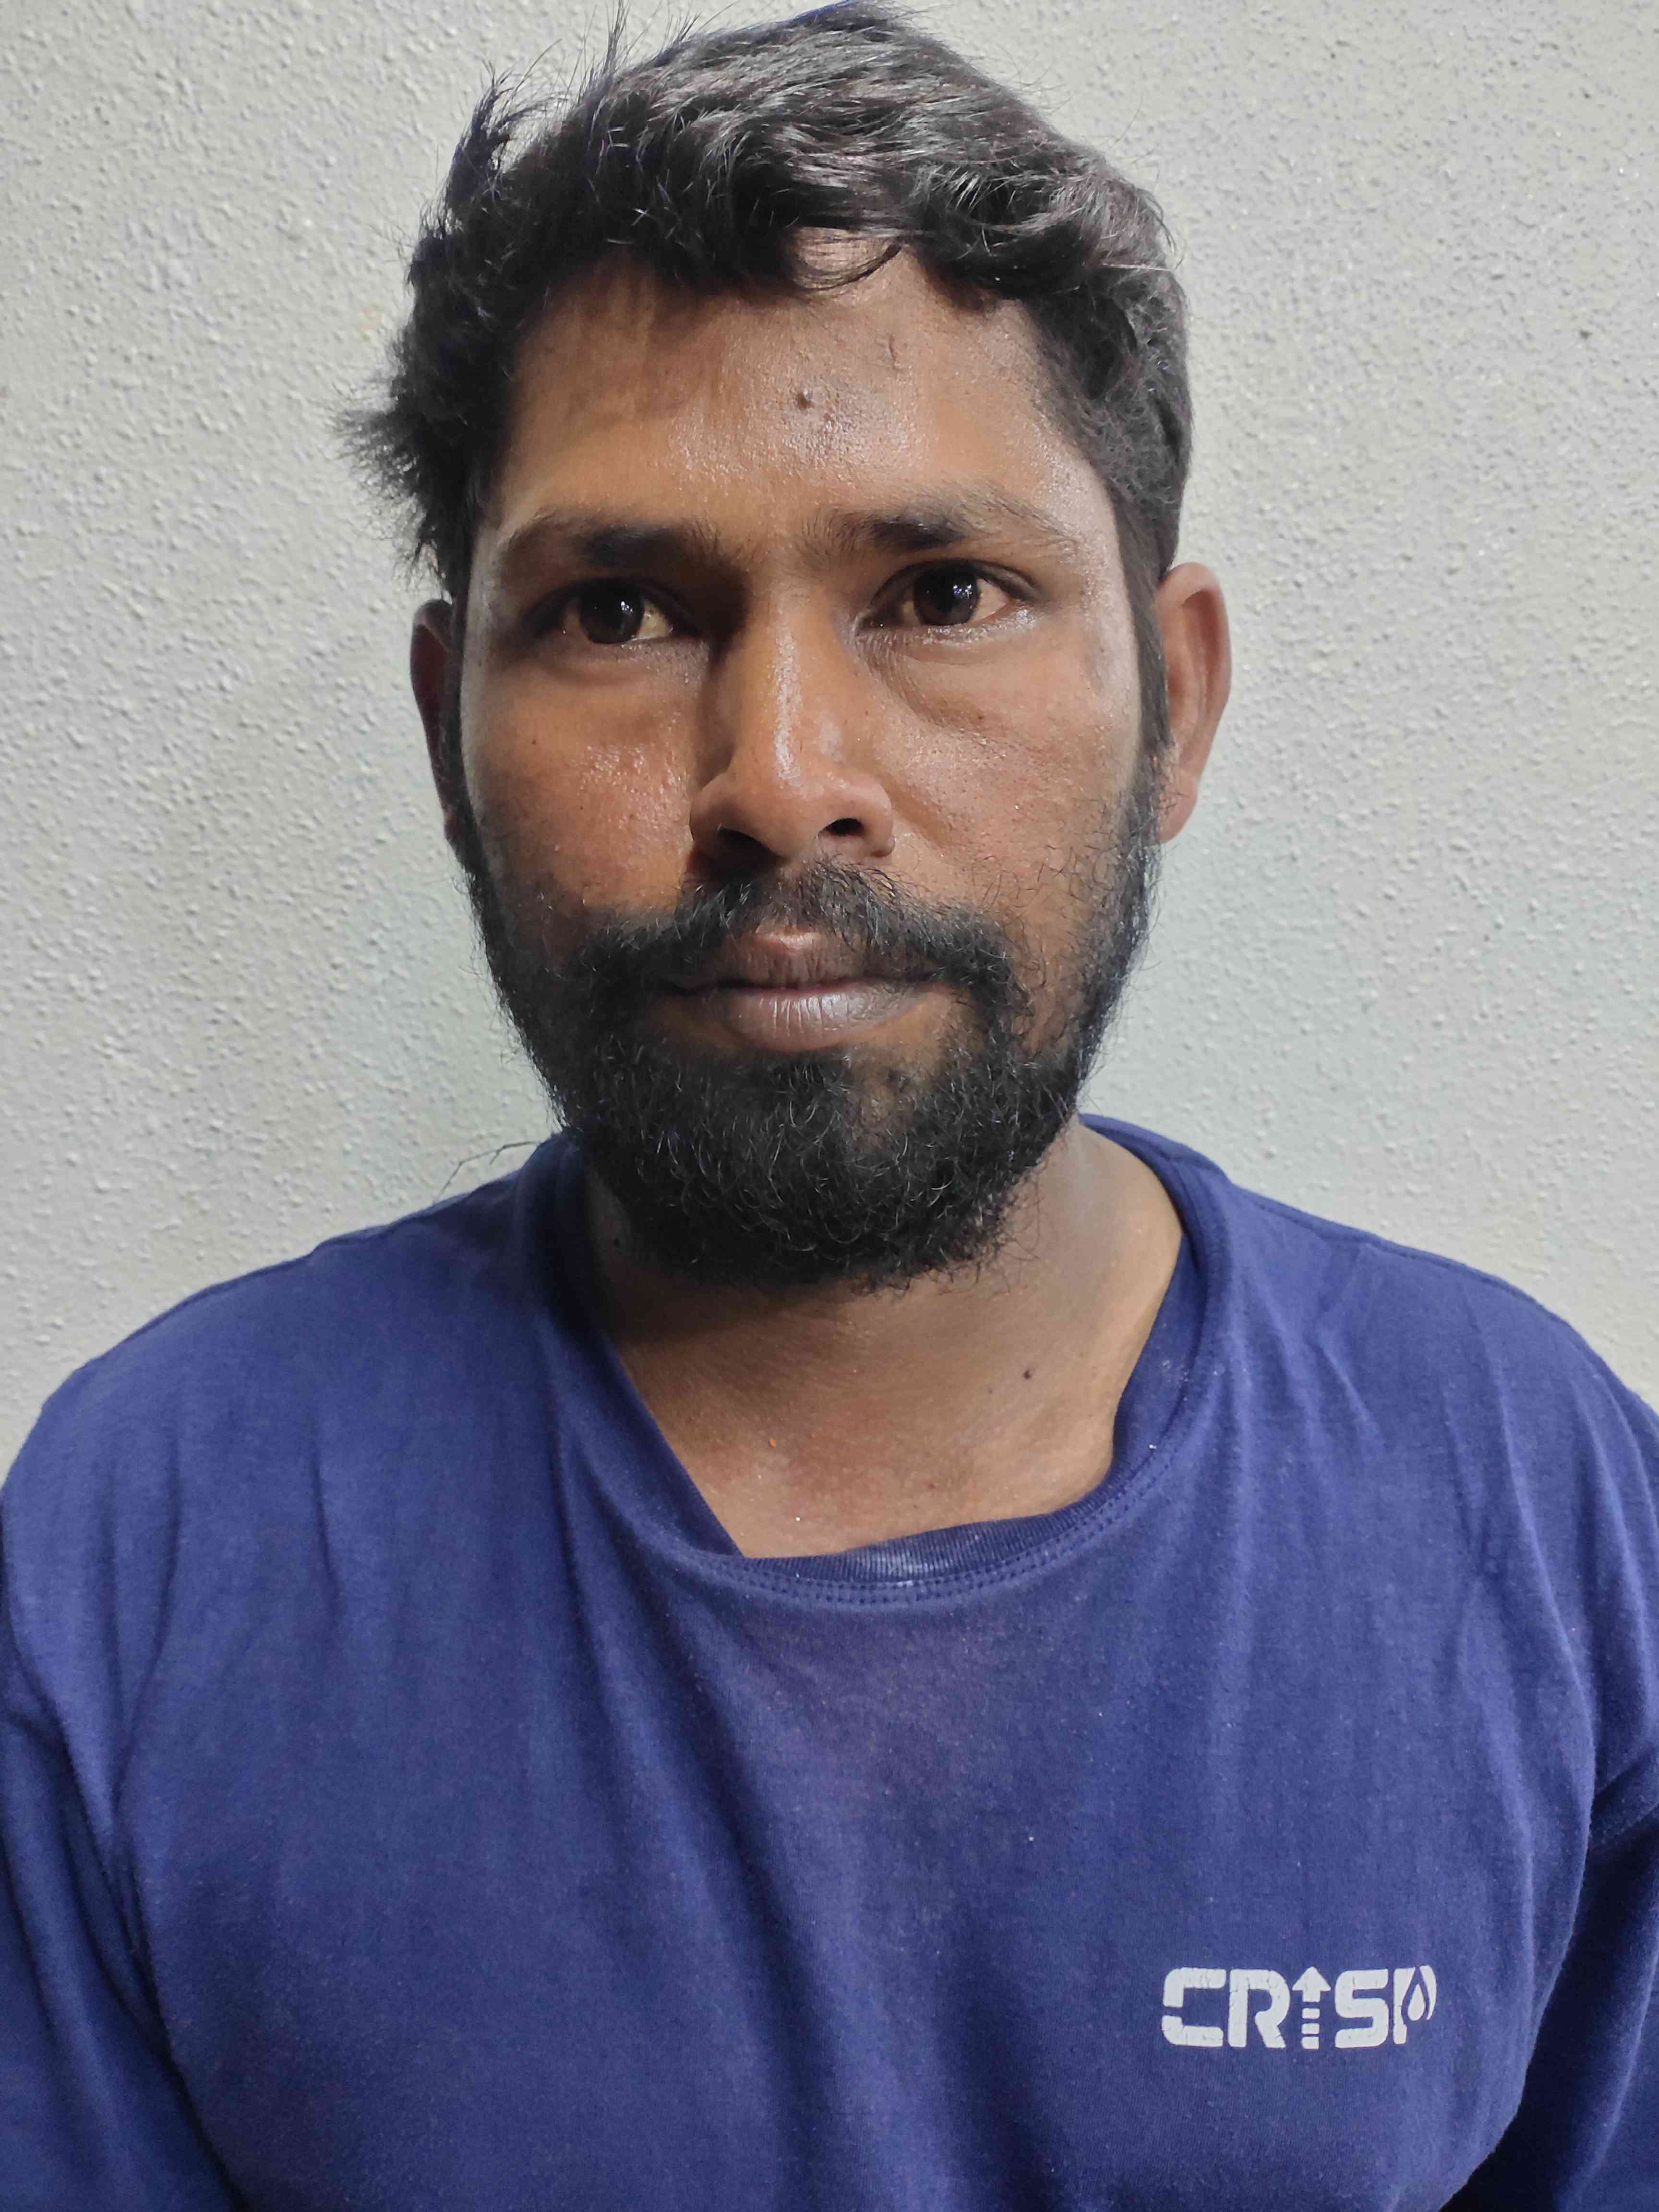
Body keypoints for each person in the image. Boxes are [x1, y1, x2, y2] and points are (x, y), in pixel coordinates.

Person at [3, 4, 1655, 2204]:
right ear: (446, 733)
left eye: (945, 594)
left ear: (1175, 708)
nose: (781, 779)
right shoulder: (140, 1552)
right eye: (618, 610)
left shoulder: (1544, 1514)